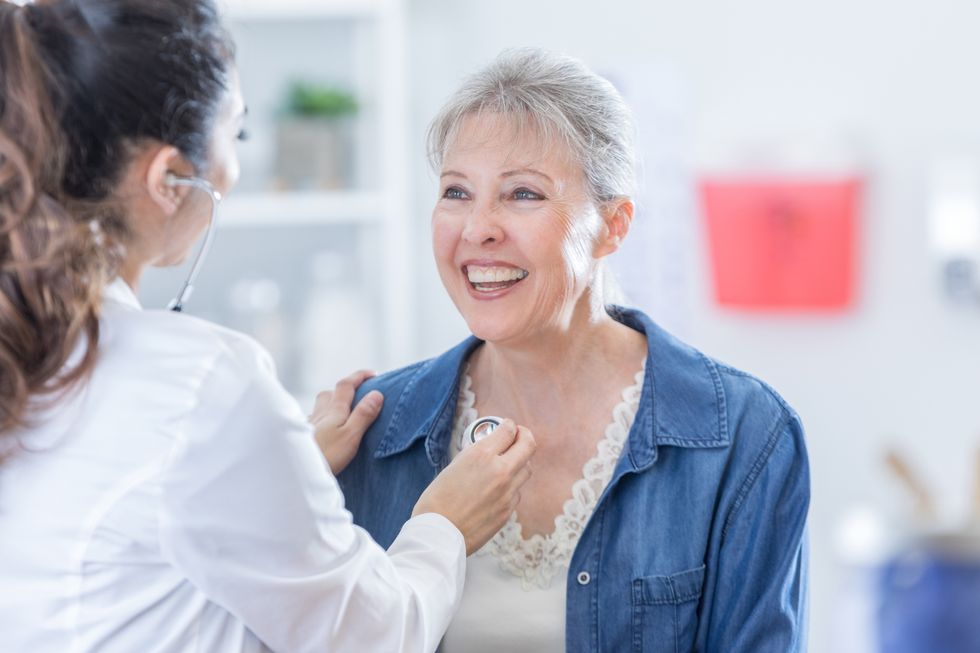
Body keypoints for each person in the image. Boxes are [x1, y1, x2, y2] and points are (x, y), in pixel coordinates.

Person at [0, 2, 535, 652]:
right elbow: (371, 635)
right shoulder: (199, 385)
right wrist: (445, 523)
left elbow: (125, 531)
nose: (233, 168)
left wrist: (284, 468)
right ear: (169, 177)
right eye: (237, 135)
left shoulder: (34, 351)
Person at [338, 47, 810, 652]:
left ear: (613, 226)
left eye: (523, 194)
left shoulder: (745, 435)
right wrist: (292, 482)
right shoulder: (370, 433)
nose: (477, 228)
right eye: (456, 192)